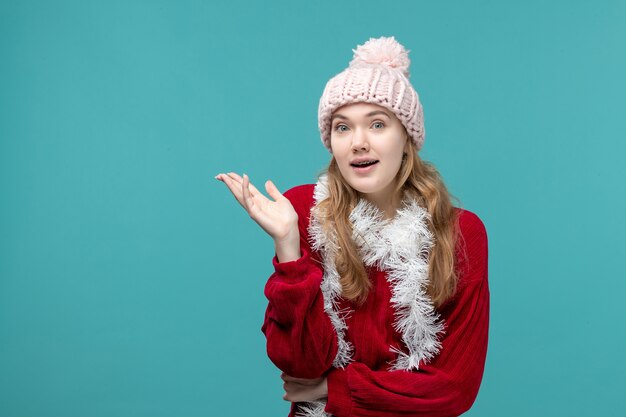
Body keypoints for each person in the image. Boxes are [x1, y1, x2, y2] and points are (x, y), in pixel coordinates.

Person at [215, 36, 489, 417]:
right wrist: (288, 249)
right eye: (343, 128)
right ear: (332, 142)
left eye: (377, 124)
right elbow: (300, 367)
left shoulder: (461, 232)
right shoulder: (304, 211)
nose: (358, 143)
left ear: (407, 139)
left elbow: (453, 389)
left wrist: (335, 387)